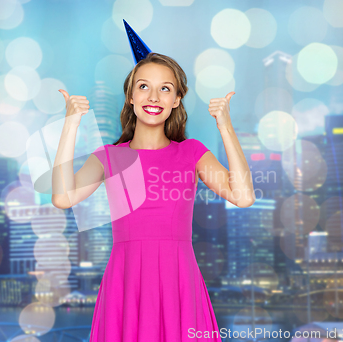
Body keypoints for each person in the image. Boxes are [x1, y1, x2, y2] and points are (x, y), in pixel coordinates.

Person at [51, 51, 255, 341]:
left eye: (165, 89)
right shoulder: (109, 157)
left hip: (179, 279)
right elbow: (62, 197)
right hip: (126, 280)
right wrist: (71, 123)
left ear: (176, 100)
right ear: (130, 97)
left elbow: (243, 196)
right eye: (144, 86)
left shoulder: (192, 153)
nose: (154, 97)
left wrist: (224, 125)